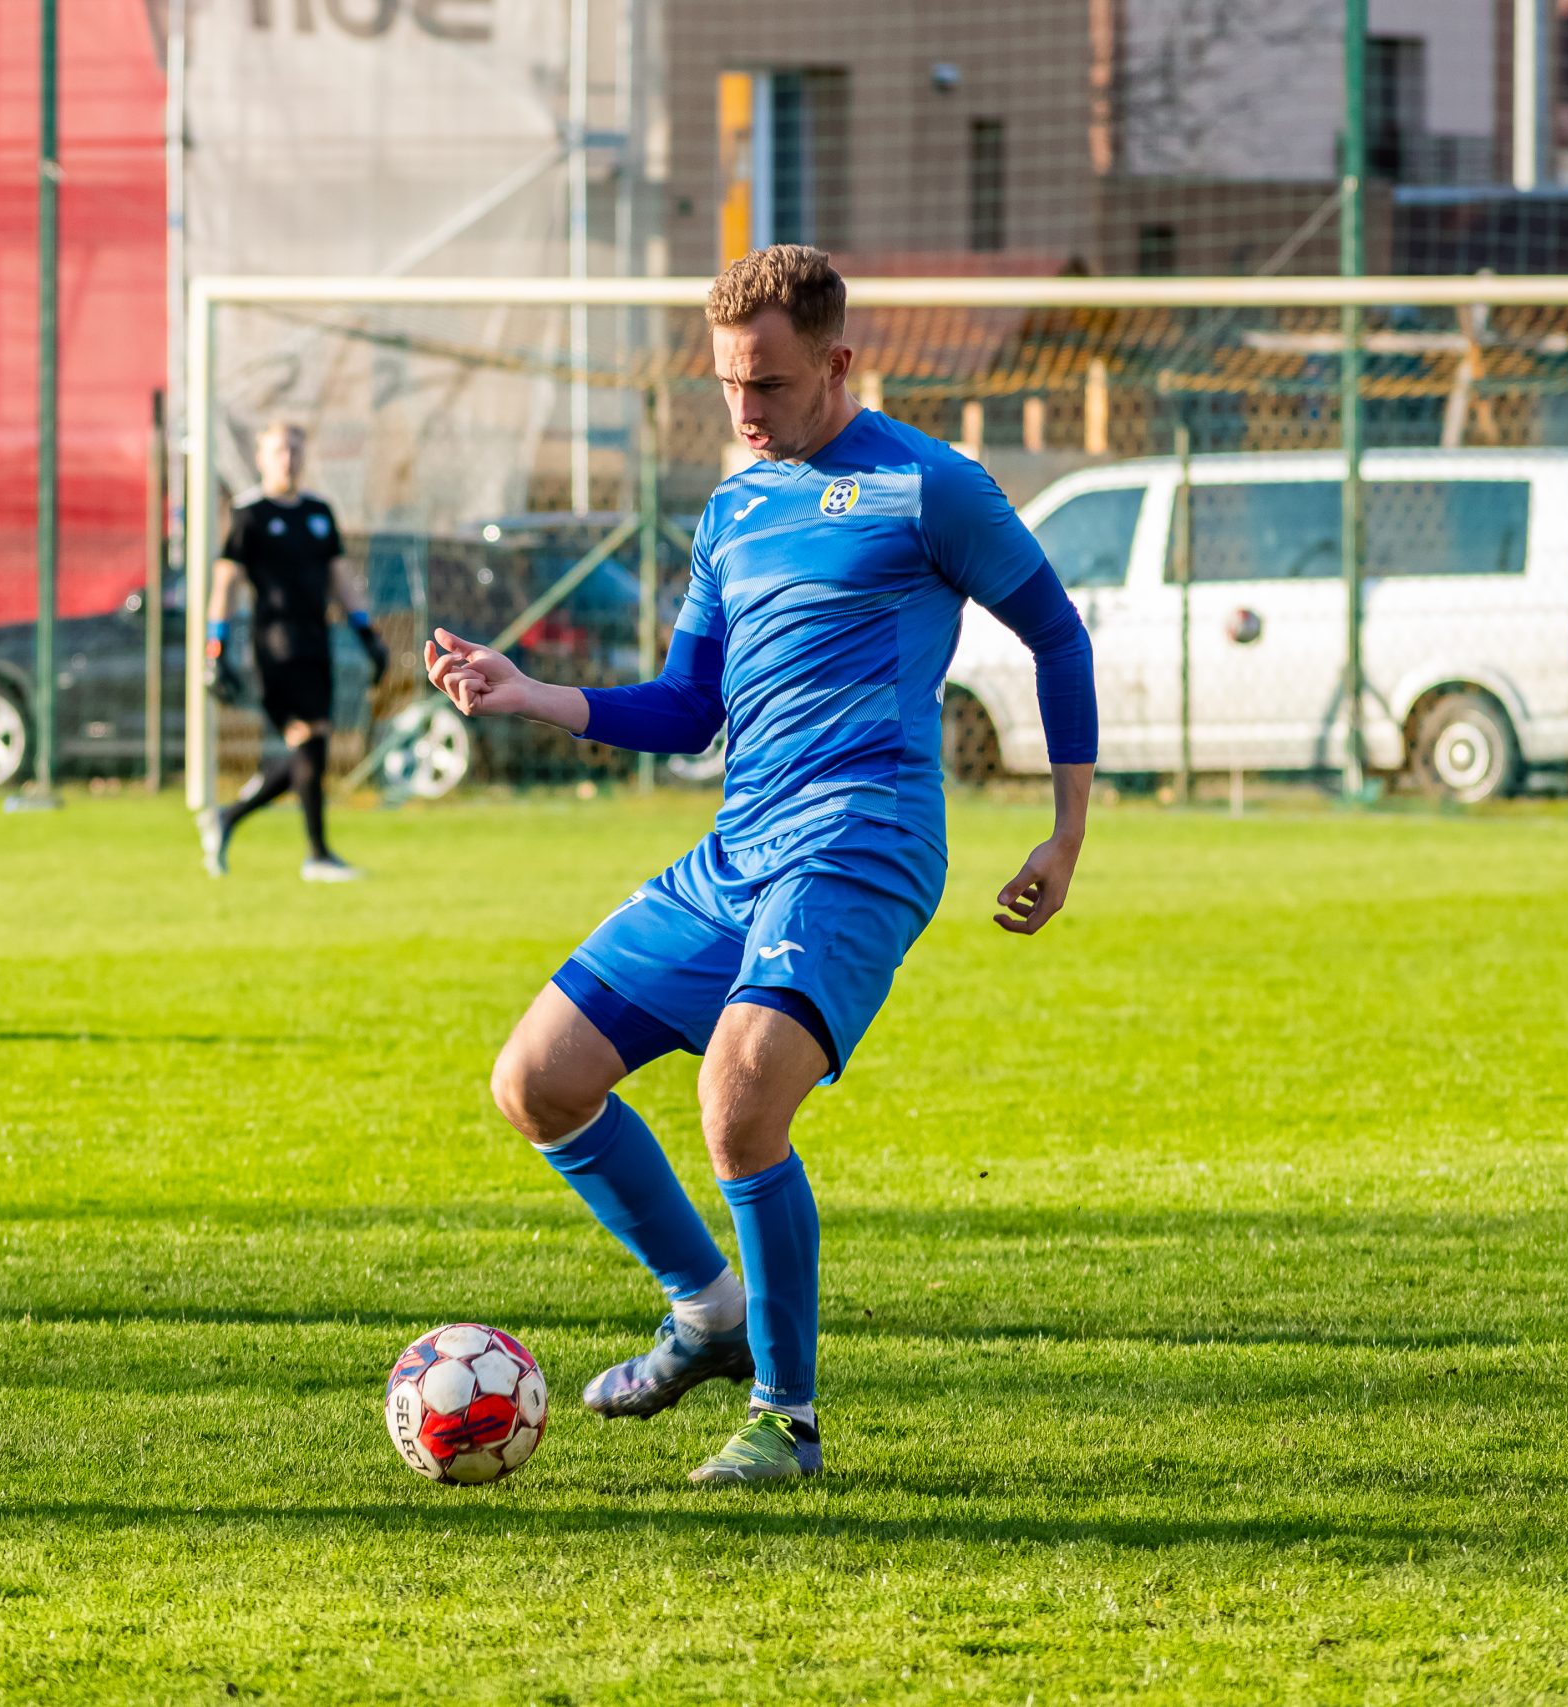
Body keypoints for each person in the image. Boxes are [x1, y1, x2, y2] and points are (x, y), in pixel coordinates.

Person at [424, 245, 1098, 1483]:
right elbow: (690, 708)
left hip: (862, 840)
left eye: (770, 385)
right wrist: (529, 694)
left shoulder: (929, 486)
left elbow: (1058, 635)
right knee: (537, 1081)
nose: (743, 408)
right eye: (729, 382)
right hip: (741, 848)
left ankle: (786, 1420)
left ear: (838, 363)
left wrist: (1065, 831)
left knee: (738, 1102)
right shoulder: (734, 511)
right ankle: (707, 1309)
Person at [197, 420, 388, 882]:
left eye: (296, 450)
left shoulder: (318, 512)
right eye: (280, 450)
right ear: (261, 458)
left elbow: (340, 577)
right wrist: (214, 648)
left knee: (313, 746)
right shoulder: (250, 514)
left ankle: (228, 817)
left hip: (316, 641)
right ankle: (316, 855)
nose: (289, 459)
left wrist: (367, 633)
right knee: (306, 738)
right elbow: (226, 582)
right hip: (274, 646)